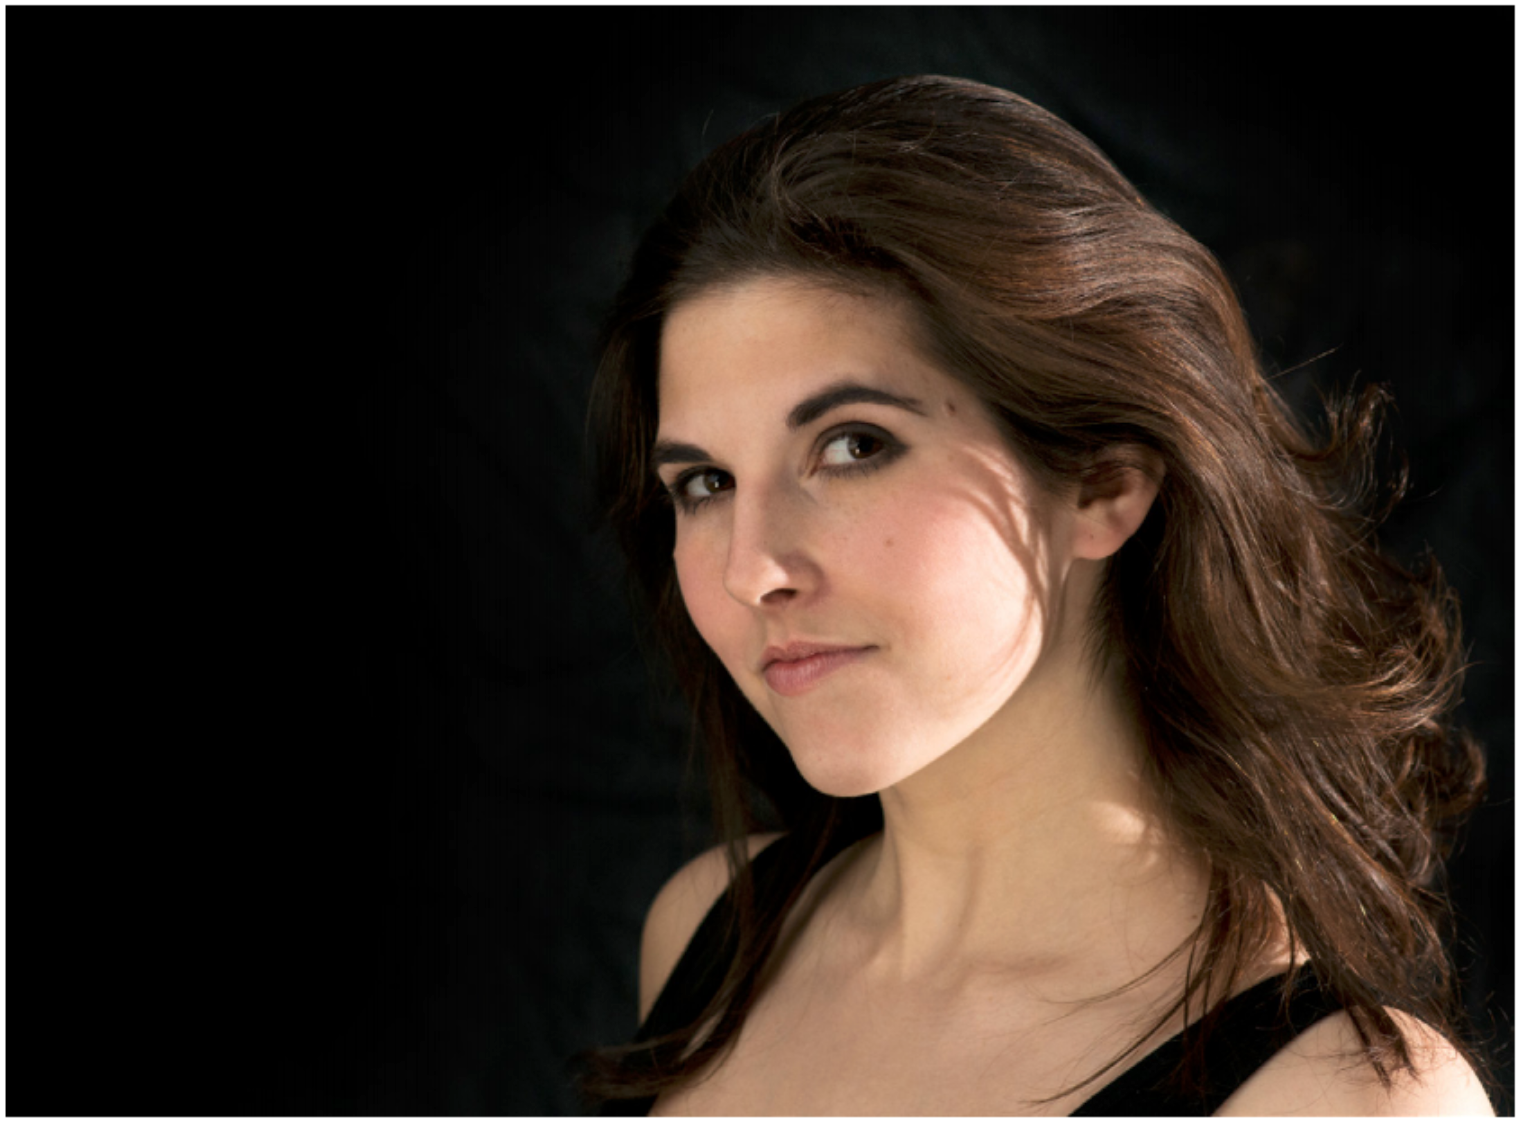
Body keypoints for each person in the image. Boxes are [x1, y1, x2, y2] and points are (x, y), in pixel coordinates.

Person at [575, 75, 1493, 1115]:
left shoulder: (1341, 1102)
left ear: (1104, 482)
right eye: (705, 483)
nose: (752, 569)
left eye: (854, 445)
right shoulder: (709, 935)